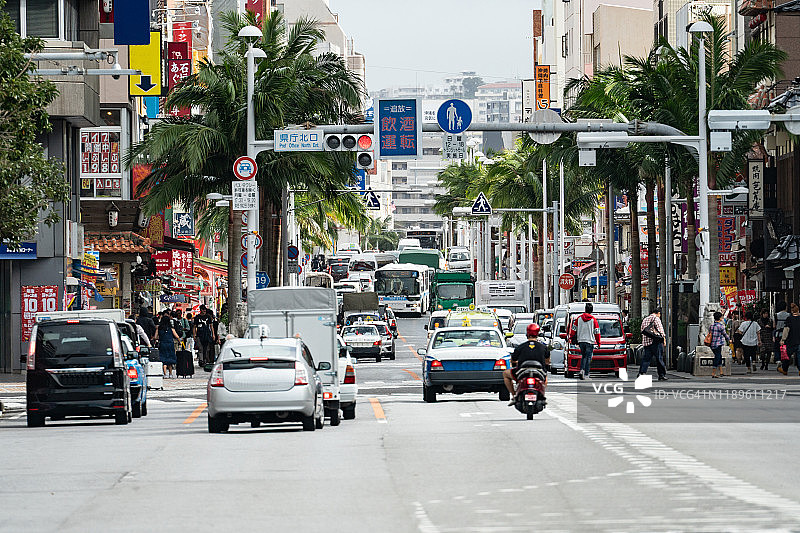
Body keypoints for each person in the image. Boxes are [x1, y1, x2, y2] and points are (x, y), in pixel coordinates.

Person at [503, 323, 550, 406]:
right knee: (545, 378)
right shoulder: (544, 347)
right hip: (539, 372)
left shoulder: (521, 347)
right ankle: (542, 394)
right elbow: (547, 361)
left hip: (522, 371)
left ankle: (514, 394)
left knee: (505, 374)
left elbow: (513, 360)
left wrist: (519, 362)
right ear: (538, 334)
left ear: (527, 334)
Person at [571, 302, 601, 380]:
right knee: (588, 358)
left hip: (581, 341)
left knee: (583, 356)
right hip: (590, 341)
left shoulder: (578, 318)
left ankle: (581, 370)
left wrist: (572, 338)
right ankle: (587, 374)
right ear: (592, 310)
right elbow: (597, 332)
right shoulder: (593, 320)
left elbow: (573, 329)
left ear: (585, 309)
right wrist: (598, 342)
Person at [638, 307, 667, 381]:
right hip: (656, 342)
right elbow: (661, 330)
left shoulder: (645, 319)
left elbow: (642, 330)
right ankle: (661, 375)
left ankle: (642, 373)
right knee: (659, 358)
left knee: (646, 359)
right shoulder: (656, 319)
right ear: (658, 313)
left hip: (646, 342)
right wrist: (664, 339)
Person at [154, 313, 180, 378]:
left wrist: (159, 338)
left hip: (162, 344)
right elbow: (177, 336)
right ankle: (170, 374)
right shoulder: (171, 329)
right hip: (170, 344)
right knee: (170, 359)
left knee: (163, 358)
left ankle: (164, 374)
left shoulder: (159, 328)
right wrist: (179, 341)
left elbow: (155, 337)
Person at [778, 303, 800, 376]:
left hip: (790, 341)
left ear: (792, 311)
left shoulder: (789, 319)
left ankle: (785, 370)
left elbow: (786, 330)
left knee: (786, 356)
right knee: (799, 356)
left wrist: (783, 339)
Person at [709, 311, 730, 378]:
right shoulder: (721, 326)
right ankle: (713, 373)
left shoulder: (712, 326)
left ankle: (721, 372)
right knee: (717, 357)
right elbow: (725, 334)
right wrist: (729, 340)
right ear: (720, 318)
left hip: (712, 344)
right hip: (718, 344)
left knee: (719, 356)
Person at [774, 301, 790, 367]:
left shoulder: (776, 315)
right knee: (785, 348)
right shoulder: (789, 315)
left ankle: (778, 360)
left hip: (778, 334)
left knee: (777, 348)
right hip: (786, 334)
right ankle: (784, 360)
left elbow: (774, 326)